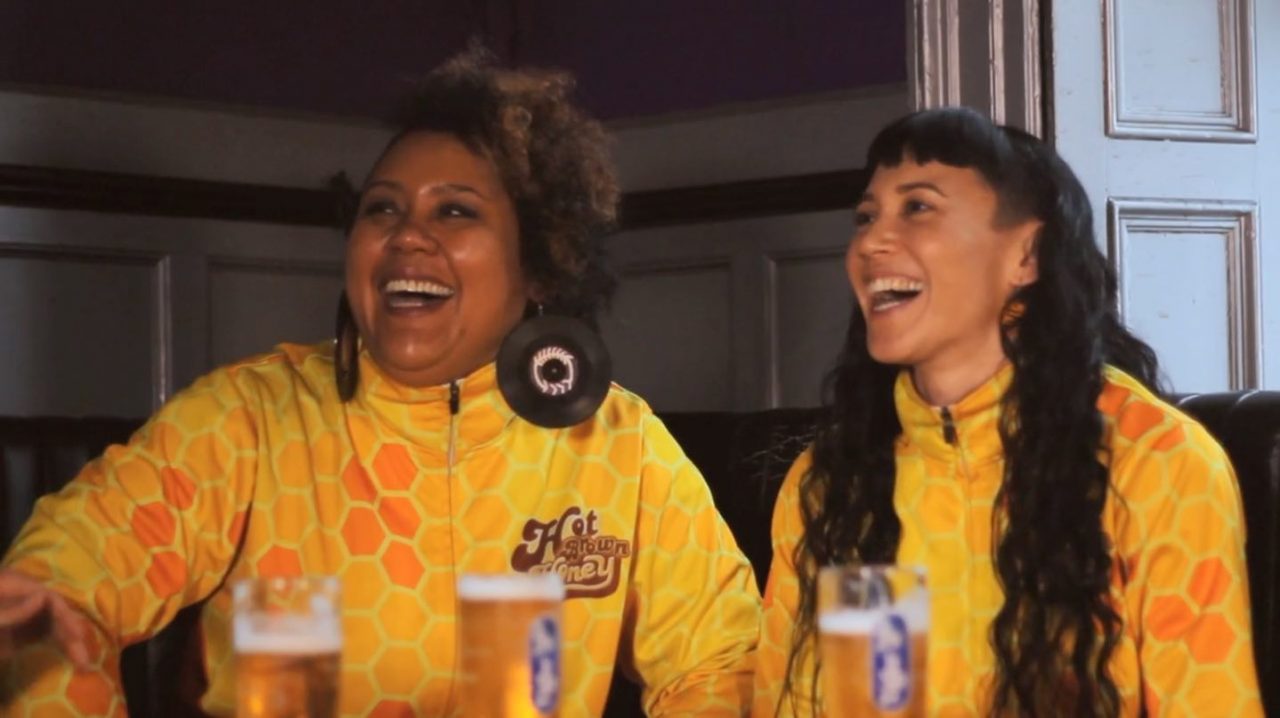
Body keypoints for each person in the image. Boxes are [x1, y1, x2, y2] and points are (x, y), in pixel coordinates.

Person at [0, 49, 761, 717]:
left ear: (539, 266)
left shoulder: (622, 448)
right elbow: (55, 588)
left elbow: (722, 665)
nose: (406, 235)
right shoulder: (245, 423)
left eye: (454, 211)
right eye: (382, 209)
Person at [752, 107, 1263, 717]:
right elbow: (844, 704)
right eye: (866, 217)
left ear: (1027, 254)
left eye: (918, 207)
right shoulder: (834, 482)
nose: (871, 242)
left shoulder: (1158, 463)